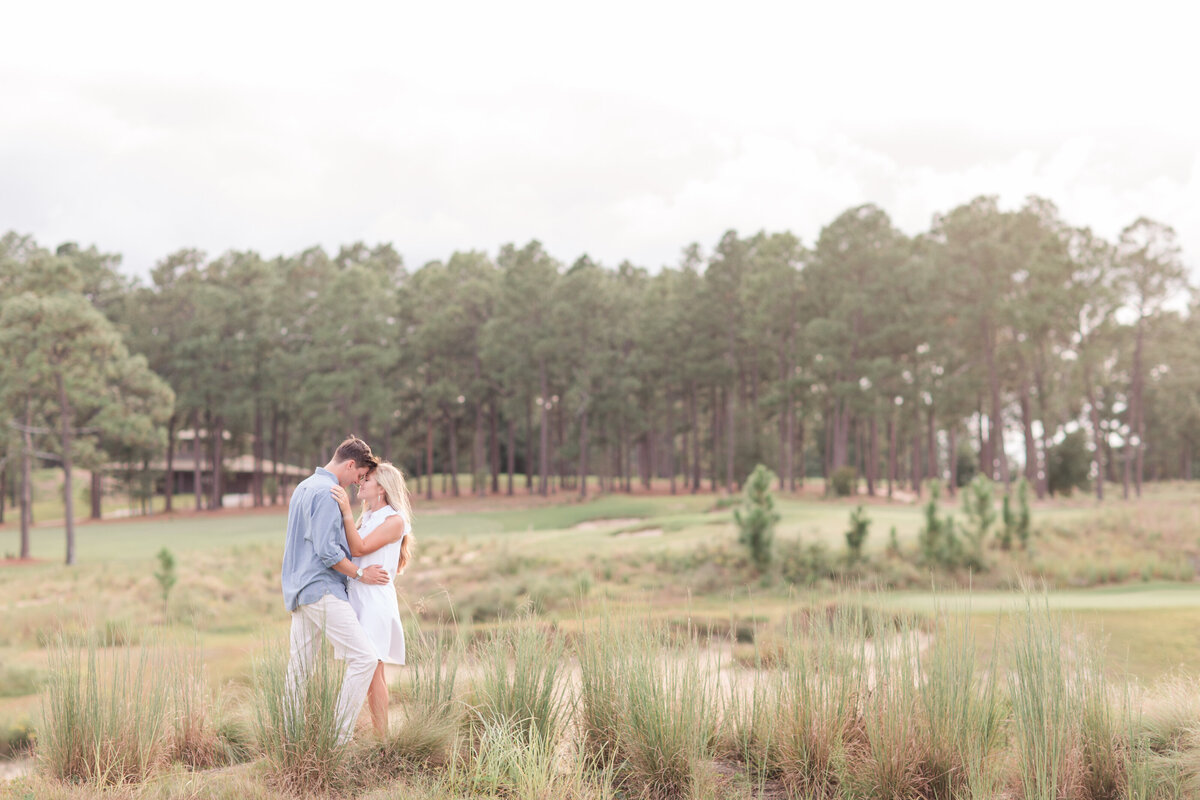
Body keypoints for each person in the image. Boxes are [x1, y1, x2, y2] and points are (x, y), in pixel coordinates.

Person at [280, 436, 388, 745]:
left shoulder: (303, 488)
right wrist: (360, 574)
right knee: (365, 658)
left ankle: (290, 739)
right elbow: (327, 551)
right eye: (360, 475)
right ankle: (338, 739)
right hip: (322, 589)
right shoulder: (328, 493)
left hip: (299, 592)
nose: (358, 483)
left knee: (299, 668)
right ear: (351, 464)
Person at [331, 461, 415, 737]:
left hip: (375, 600)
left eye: (366, 480)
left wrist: (344, 510)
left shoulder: (395, 520)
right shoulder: (367, 517)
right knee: (366, 669)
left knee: (374, 669)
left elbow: (359, 547)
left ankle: (382, 740)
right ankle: (375, 734)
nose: (360, 483)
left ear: (382, 487)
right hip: (358, 596)